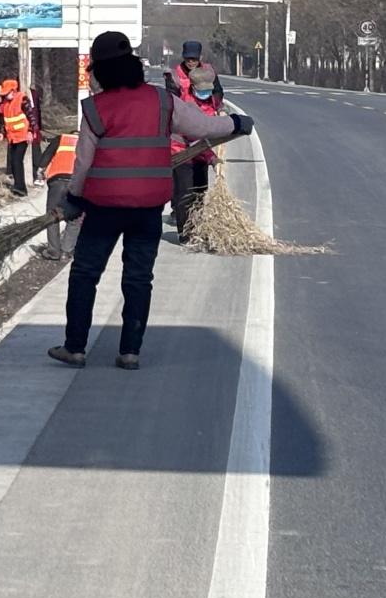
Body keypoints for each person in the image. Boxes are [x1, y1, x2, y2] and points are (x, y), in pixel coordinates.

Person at [47, 32, 253, 372]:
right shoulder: (162, 100)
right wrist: (236, 122)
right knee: (139, 278)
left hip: (103, 208)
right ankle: (130, 352)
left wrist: (74, 198)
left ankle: (75, 348)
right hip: (148, 208)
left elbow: (82, 163)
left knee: (85, 274)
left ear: (100, 71)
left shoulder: (95, 108)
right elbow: (202, 125)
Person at [171, 65, 223, 243]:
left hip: (200, 154)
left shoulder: (210, 101)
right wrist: (212, 158)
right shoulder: (187, 106)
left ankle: (197, 228)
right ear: (193, 88)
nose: (205, 94)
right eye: (202, 90)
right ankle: (185, 234)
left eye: (208, 90)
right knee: (185, 194)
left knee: (200, 192)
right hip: (182, 153)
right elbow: (195, 137)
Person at [36, 131, 78, 260]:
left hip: (57, 181)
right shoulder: (88, 142)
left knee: (52, 215)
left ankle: (53, 251)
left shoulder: (61, 139)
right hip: (77, 183)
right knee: (75, 217)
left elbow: (46, 156)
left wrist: (40, 171)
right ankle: (66, 251)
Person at [0, 79, 34, 197]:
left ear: (13, 91)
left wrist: (30, 131)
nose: (5, 96)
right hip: (12, 137)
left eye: (6, 93)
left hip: (22, 135)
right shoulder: (6, 104)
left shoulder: (22, 99)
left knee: (17, 161)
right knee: (13, 161)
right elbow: (6, 121)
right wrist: (2, 133)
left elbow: (31, 116)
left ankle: (21, 188)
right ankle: (18, 186)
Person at [165, 40, 224, 104]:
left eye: (194, 59)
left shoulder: (209, 71)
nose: (191, 62)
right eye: (188, 59)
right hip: (184, 108)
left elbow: (218, 91)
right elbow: (172, 98)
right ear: (183, 57)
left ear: (200, 57)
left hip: (207, 108)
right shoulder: (174, 75)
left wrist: (216, 105)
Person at [29, 85, 46, 187]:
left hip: (32, 127)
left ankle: (38, 175)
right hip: (21, 130)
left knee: (35, 151)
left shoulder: (32, 94)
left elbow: (36, 111)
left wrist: (37, 127)